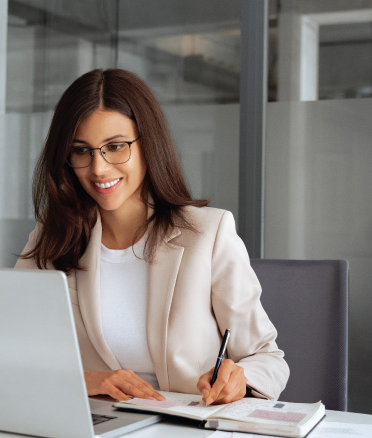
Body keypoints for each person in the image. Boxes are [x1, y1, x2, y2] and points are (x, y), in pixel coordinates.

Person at [15, 68, 288, 405]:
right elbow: (10, 351)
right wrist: (83, 380)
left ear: (149, 144)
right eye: (81, 150)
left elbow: (268, 358)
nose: (98, 168)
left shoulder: (208, 233)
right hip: (96, 426)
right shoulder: (52, 235)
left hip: (185, 428)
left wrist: (242, 380)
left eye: (115, 146)